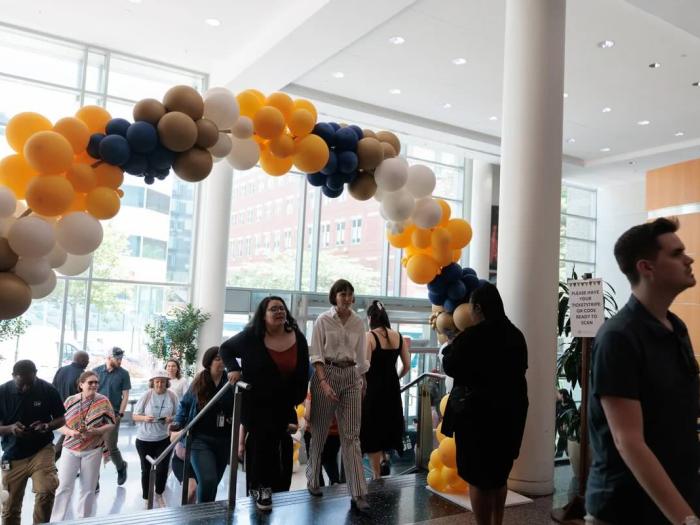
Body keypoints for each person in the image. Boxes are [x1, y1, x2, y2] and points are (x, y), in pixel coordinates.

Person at [586, 217, 699, 525]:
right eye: (676, 254)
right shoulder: (618, 337)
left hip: (676, 498)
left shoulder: (676, 327)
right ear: (646, 267)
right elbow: (629, 441)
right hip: (627, 509)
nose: (689, 259)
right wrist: (685, 519)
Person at [441, 283, 528, 525]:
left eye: (471, 309)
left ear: (478, 308)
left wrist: (451, 346)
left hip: (478, 416)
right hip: (511, 414)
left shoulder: (473, 335)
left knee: (478, 478)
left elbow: (450, 364)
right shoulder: (516, 334)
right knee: (499, 477)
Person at [220, 296, 309, 511]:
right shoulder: (252, 337)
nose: (279, 312)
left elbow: (304, 366)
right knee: (261, 445)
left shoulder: (296, 336)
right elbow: (225, 349)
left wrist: (299, 395)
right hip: (257, 402)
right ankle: (261, 489)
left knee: (282, 445)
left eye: (281, 308)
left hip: (283, 403)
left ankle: (277, 489)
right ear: (263, 314)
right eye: (273, 309)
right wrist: (233, 368)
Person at [306, 279, 371, 512]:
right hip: (327, 373)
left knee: (352, 436)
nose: (346, 297)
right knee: (320, 432)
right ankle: (312, 478)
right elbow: (316, 354)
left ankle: (358, 492)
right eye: (342, 293)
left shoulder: (358, 322)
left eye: (349, 294)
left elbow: (362, 356)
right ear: (334, 296)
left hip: (351, 375)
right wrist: (323, 382)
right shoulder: (323, 320)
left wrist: (362, 380)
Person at [0, 360, 66, 525]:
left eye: (30, 383)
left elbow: (61, 419)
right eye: (22, 384)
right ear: (14, 376)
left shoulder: (48, 390)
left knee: (46, 490)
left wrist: (47, 425)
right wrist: (10, 429)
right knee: (9, 506)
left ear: (35, 374)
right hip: (12, 454)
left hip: (41, 449)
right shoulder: (2, 392)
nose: (26, 388)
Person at [170, 346, 233, 504]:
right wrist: (177, 425)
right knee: (208, 480)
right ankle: (201, 516)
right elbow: (184, 405)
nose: (221, 362)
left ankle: (202, 512)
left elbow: (239, 406)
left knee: (213, 484)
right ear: (209, 362)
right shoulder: (200, 381)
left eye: (223, 358)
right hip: (200, 439)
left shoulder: (231, 382)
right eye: (217, 359)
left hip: (223, 440)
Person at [51, 371, 114, 521]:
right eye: (90, 382)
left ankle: (84, 520)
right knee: (63, 487)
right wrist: (71, 433)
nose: (94, 385)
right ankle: (56, 520)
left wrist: (95, 431)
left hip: (93, 450)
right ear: (81, 385)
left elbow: (111, 423)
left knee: (88, 489)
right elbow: (58, 424)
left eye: (96, 382)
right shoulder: (70, 401)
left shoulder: (103, 401)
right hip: (70, 449)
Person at [360, 300, 410, 479]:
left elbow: (364, 367)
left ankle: (376, 474)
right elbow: (407, 365)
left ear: (370, 318)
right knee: (388, 425)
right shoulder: (398, 336)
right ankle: (385, 458)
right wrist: (396, 377)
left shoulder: (369, 336)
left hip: (373, 391)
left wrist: (363, 386)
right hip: (392, 390)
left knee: (372, 430)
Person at [133, 370, 178, 508]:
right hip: (144, 440)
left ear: (166, 383)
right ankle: (147, 497)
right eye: (157, 381)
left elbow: (178, 414)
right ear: (152, 383)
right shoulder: (146, 395)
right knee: (146, 470)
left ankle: (159, 494)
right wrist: (145, 418)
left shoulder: (172, 396)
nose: (159, 384)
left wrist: (171, 418)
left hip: (163, 439)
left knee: (162, 469)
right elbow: (135, 416)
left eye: (162, 382)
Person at [93, 347, 131, 485]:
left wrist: (120, 413)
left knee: (110, 446)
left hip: (113, 414)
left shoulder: (124, 374)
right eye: (118, 358)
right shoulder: (96, 371)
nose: (120, 361)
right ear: (109, 357)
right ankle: (94, 480)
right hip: (95, 414)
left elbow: (126, 396)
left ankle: (121, 467)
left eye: (121, 358)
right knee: (93, 446)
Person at [52, 350, 89, 460]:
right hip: (75, 412)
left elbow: (53, 388)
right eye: (87, 360)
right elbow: (85, 396)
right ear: (81, 360)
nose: (88, 362)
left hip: (59, 411)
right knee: (69, 437)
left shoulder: (61, 370)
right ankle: (51, 462)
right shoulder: (82, 375)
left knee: (68, 436)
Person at [303, 392, 341, 487]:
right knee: (331, 461)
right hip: (335, 435)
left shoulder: (314, 391)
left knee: (316, 468)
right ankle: (335, 485)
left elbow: (307, 415)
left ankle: (318, 490)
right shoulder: (340, 389)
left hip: (315, 434)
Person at [555, 389, 575, 458]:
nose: (557, 395)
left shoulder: (571, 403)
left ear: (562, 395)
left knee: (563, 441)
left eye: (559, 394)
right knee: (564, 441)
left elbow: (573, 414)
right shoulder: (558, 403)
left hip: (567, 427)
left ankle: (560, 455)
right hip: (559, 426)